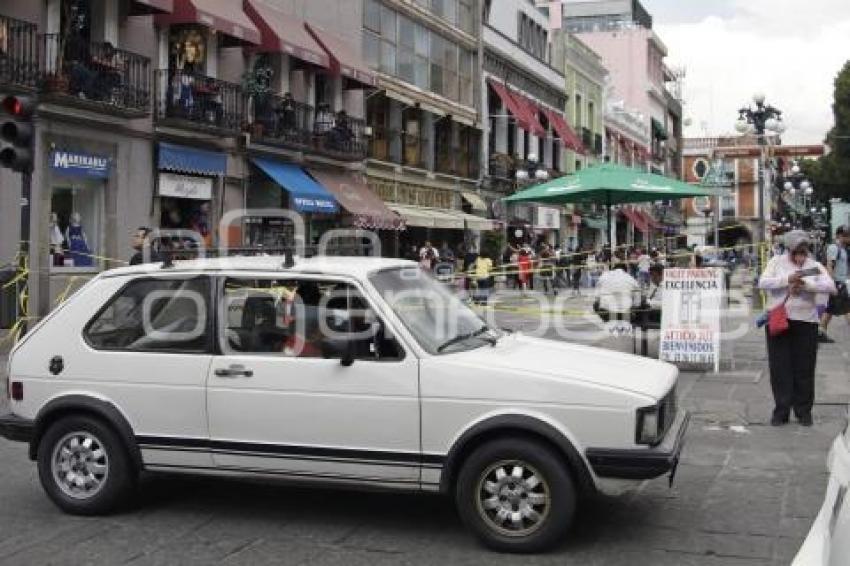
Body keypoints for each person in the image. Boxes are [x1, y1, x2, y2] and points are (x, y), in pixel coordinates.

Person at [758, 230, 836, 426]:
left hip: (806, 322)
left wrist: (806, 285)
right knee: (780, 367)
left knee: (805, 368)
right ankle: (781, 410)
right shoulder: (777, 262)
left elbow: (830, 286)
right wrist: (788, 280)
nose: (801, 256)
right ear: (789, 250)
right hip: (780, 320)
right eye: (797, 252)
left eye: (804, 251)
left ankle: (803, 411)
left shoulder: (814, 266)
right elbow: (763, 282)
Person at [819, 226, 850, 343]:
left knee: (830, 309)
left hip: (840, 283)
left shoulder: (843, 249)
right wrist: (831, 284)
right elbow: (829, 265)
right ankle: (820, 332)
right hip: (837, 283)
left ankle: (821, 332)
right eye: (847, 236)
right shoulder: (834, 248)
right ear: (840, 236)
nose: (849, 239)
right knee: (847, 308)